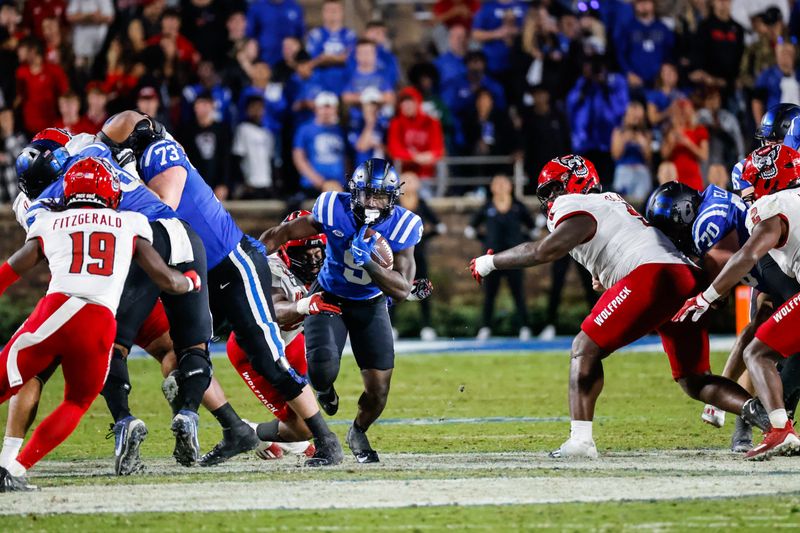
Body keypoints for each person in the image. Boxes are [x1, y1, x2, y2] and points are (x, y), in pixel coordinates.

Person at [470, 154, 758, 458]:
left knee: (585, 347)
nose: (551, 199)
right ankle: (771, 420)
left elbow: (544, 250)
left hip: (654, 276)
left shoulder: (578, 206)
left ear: (575, 182)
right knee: (695, 379)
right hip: (685, 278)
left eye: (554, 189)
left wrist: (489, 262)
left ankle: (580, 442)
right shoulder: (612, 202)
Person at [125, 111, 344, 467]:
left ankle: (326, 440)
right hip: (197, 271)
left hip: (231, 262)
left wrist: (124, 187)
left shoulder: (160, 152)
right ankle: (234, 429)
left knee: (268, 357)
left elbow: (163, 203)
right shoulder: (141, 170)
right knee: (188, 356)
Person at [0, 156, 200, 492]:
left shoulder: (50, 222)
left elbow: (11, 271)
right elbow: (167, 280)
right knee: (76, 402)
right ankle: (15, 468)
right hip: (100, 325)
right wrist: (192, 282)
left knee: (5, 379)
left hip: (59, 310)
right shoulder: (131, 223)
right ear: (111, 191)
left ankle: (10, 464)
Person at [261, 158, 423, 463]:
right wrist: (252, 257)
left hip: (370, 302)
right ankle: (324, 390)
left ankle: (358, 430)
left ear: (392, 198)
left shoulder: (405, 225)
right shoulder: (333, 208)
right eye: (368, 195)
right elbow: (281, 234)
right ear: (354, 193)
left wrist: (369, 263)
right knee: (322, 370)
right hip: (329, 294)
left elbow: (401, 289)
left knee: (378, 391)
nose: (373, 203)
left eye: (381, 196)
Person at [673, 144, 800, 459]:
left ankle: (780, 429)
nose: (747, 190)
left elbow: (746, 254)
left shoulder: (771, 204)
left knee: (757, 352)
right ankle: (779, 427)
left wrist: (706, 296)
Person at [465, 174, 534, 340]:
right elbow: (471, 229)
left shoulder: (518, 206)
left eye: (505, 183)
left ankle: (524, 327)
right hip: (491, 258)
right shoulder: (487, 206)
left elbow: (533, 228)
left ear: (510, 186)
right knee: (489, 294)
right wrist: (486, 240)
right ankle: (486, 327)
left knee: (518, 292)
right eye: (498, 184)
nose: (501, 187)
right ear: (492, 187)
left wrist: (521, 241)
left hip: (514, 257)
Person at [387, 88, 445, 192]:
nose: (407, 105)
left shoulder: (431, 122)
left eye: (410, 101)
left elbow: (438, 150)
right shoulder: (396, 123)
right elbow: (394, 150)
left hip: (427, 174)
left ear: (417, 102)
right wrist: (415, 157)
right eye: (404, 102)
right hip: (405, 175)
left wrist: (428, 156)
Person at [292, 91, 347, 195]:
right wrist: (317, 180)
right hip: (313, 184)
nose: (326, 111)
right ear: (316, 109)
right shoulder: (305, 129)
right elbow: (299, 157)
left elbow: (345, 158)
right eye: (322, 107)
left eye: (329, 107)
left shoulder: (340, 130)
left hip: (338, 183)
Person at [304, 0, 357, 95]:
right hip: (320, 84)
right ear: (323, 13)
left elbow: (348, 58)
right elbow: (312, 60)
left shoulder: (350, 35)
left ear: (342, 13)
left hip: (345, 84)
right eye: (328, 10)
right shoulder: (315, 35)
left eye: (335, 11)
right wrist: (338, 58)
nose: (332, 14)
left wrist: (326, 58)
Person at [660, 98, 708, 191]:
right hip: (674, 175)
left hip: (693, 176)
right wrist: (673, 142)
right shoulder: (670, 131)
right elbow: (664, 155)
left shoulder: (699, 130)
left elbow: (704, 155)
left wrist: (688, 143)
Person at [610, 100, 652, 207]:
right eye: (632, 116)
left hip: (641, 171)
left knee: (640, 204)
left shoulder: (645, 134)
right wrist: (624, 140)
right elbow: (616, 155)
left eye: (637, 117)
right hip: (624, 170)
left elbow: (648, 159)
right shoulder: (619, 132)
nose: (635, 120)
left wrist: (643, 144)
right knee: (623, 205)